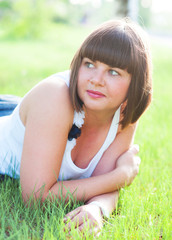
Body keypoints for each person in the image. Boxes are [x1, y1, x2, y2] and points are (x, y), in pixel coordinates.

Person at [0, 18, 152, 234]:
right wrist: (121, 176)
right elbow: (36, 197)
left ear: (135, 84)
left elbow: (101, 184)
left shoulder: (125, 111)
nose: (96, 80)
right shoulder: (53, 97)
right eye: (89, 64)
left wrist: (97, 208)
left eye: (114, 72)